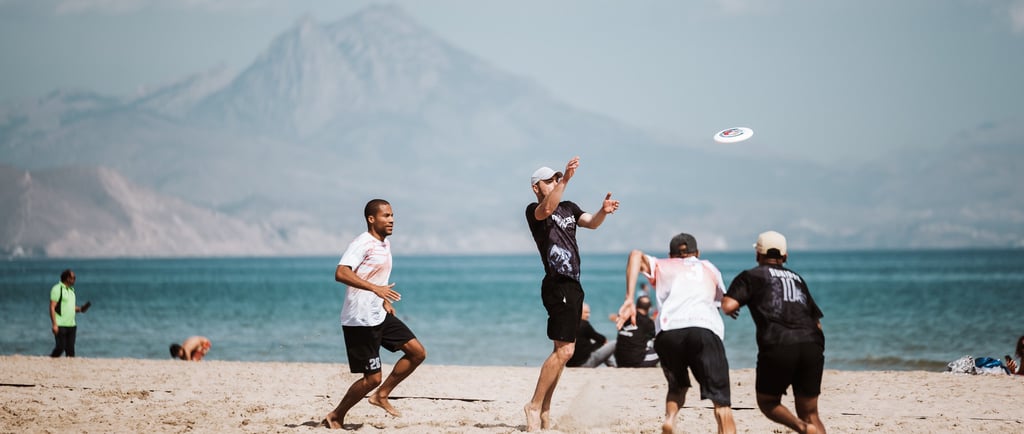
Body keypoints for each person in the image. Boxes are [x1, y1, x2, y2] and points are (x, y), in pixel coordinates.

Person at [523, 156, 619, 432]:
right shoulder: (534, 210)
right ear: (536, 187)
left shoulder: (568, 207)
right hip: (557, 284)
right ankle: (533, 405)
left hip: (574, 285)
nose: (554, 182)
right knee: (564, 351)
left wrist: (603, 211)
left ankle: (545, 408)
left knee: (564, 351)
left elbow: (591, 223)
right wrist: (565, 179)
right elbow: (547, 208)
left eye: (556, 178)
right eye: (549, 180)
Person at [322, 199, 427, 429]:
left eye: (392, 215)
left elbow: (375, 276)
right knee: (372, 378)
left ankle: (381, 396)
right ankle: (336, 416)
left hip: (378, 313)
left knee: (417, 353)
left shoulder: (384, 244)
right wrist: (375, 289)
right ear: (372, 219)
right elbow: (341, 273)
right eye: (386, 216)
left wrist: (383, 299)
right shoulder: (363, 243)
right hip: (360, 319)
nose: (391, 220)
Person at [617, 233, 736, 434]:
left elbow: (635, 254)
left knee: (677, 386)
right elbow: (724, 303)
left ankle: (670, 419)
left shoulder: (663, 264)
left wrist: (629, 298)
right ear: (697, 253)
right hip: (703, 329)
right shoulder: (708, 267)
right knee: (721, 401)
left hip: (668, 333)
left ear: (670, 254)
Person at [721, 231, 825, 434]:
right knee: (811, 412)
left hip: (778, 344)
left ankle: (801, 428)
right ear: (785, 256)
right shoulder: (797, 278)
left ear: (757, 255)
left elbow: (728, 305)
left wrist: (733, 306)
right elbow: (817, 321)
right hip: (812, 343)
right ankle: (808, 425)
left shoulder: (751, 276)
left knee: (768, 401)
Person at [49, 269, 91, 358]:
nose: (75, 279)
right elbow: (52, 307)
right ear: (67, 278)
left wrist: (80, 309)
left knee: (71, 350)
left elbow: (71, 307)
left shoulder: (72, 290)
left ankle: (69, 369)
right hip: (60, 324)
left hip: (72, 325)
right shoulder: (57, 289)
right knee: (60, 347)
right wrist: (54, 324)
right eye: (73, 277)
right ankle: (51, 360)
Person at [613, 295, 659, 368]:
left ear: (637, 306)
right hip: (636, 362)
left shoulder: (625, 318)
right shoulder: (648, 322)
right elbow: (658, 336)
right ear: (650, 308)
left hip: (620, 361)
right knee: (663, 346)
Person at [566, 303, 615, 368]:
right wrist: (602, 342)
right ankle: (614, 366)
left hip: (570, 364)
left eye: (589, 313)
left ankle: (612, 366)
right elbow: (601, 339)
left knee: (593, 341)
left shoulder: (569, 324)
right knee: (614, 343)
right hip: (585, 364)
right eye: (586, 313)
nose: (588, 315)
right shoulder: (584, 324)